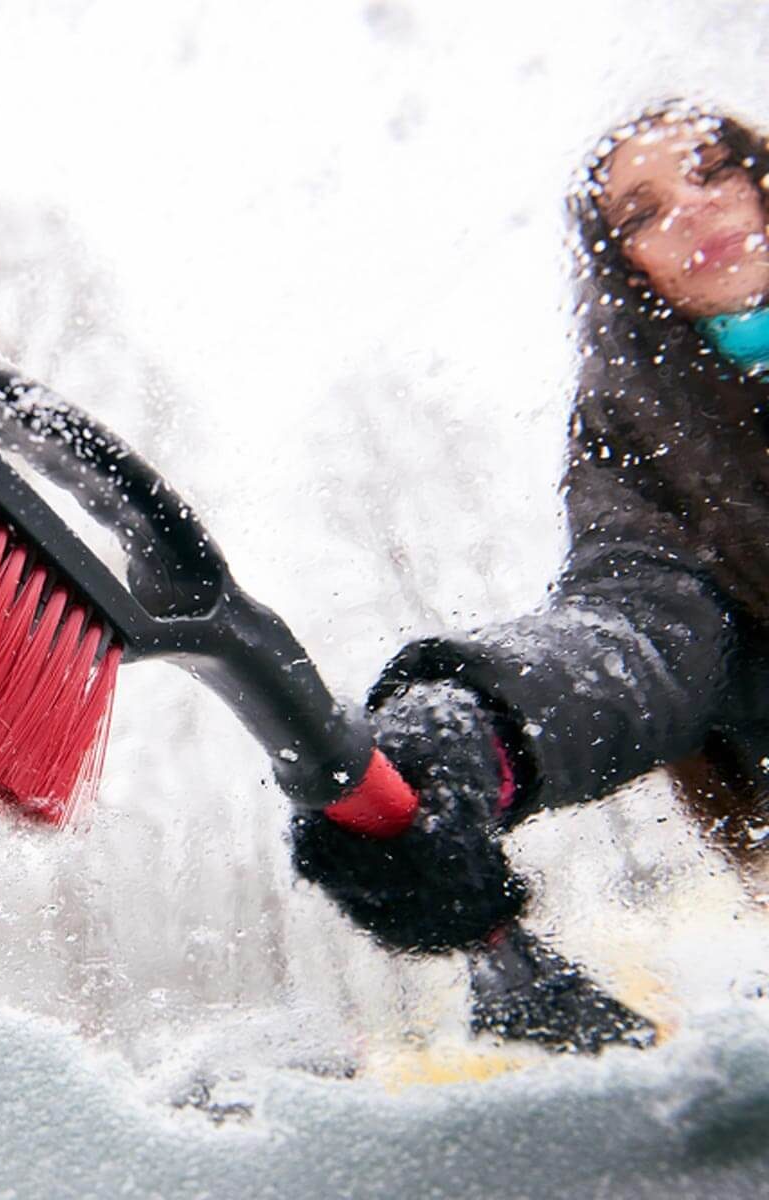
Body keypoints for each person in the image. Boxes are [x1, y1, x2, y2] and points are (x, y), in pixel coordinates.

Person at [292, 102, 769, 1052]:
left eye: (712, 169)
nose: (691, 210)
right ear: (627, 269)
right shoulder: (640, 439)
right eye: (641, 211)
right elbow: (639, 629)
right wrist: (478, 725)